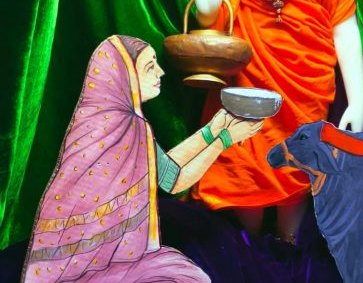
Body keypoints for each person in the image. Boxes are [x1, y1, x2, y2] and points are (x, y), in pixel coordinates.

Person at [188, 0, 363, 243]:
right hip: (244, 86)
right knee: (246, 177)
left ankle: (289, 244)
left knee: (295, 179)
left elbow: (344, 27)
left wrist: (358, 100)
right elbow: (217, 32)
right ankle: (248, 247)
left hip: (306, 89)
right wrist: (208, 10)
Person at [21, 35, 263, 282]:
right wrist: (225, 140)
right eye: (150, 67)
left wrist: (212, 130)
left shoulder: (105, 118)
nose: (161, 72)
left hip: (93, 259)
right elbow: (174, 183)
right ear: (123, 76)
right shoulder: (126, 124)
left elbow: (164, 170)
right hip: (91, 265)